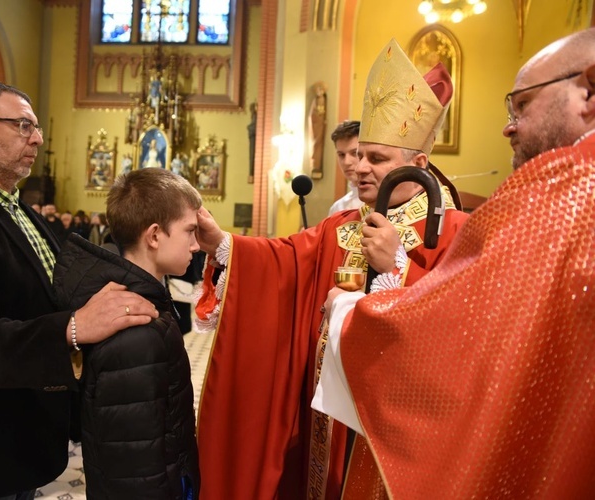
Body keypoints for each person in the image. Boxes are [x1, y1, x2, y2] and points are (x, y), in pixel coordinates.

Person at [315, 28, 595, 498]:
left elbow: (461, 332)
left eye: (521, 105)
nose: (509, 126)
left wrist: (349, 311)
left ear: (588, 89)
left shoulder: (569, 188)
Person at [192, 39, 469, 500]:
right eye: (359, 155)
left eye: (377, 159)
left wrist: (397, 266)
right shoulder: (340, 227)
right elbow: (282, 263)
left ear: (418, 164)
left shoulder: (454, 230)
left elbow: (455, 331)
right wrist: (222, 244)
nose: (359, 168)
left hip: (395, 427)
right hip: (328, 421)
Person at [0, 79, 158, 499]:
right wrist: (72, 328)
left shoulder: (25, 214)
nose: (37, 138)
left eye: (36, 128)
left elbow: (54, 295)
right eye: (23, 125)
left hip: (26, 442)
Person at [53, 168, 201, 499]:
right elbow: (133, 462)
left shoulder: (137, 304)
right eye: (189, 231)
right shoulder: (136, 327)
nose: (195, 245)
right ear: (154, 236)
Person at [327, 120, 363, 215]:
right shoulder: (337, 208)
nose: (346, 162)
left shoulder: (388, 202)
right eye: (341, 155)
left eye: (354, 153)